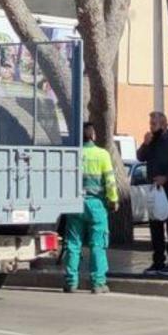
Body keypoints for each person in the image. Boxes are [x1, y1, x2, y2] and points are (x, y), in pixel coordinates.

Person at [63, 123, 119, 294]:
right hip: (96, 205)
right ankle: (98, 282)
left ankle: (71, 282)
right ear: (93, 135)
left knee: (73, 244)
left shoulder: (73, 155)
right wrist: (114, 200)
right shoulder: (102, 155)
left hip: (75, 204)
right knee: (97, 244)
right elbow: (110, 181)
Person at [137, 112, 168, 276]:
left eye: (154, 124)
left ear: (164, 125)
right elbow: (140, 157)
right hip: (154, 190)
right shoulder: (151, 143)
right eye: (150, 124)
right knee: (155, 227)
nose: (151, 127)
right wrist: (145, 144)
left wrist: (166, 178)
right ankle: (158, 261)